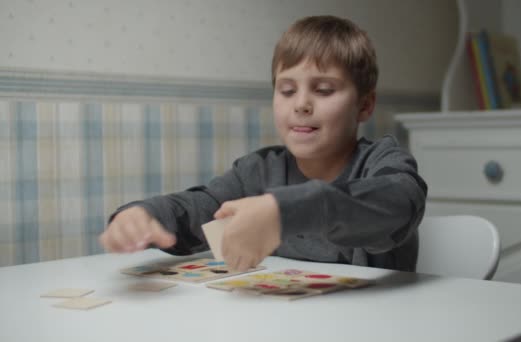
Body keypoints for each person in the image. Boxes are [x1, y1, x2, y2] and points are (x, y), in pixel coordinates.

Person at [99, 15, 427, 272]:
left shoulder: (381, 162)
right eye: (286, 90)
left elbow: (400, 201)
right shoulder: (258, 172)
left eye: (324, 90)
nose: (301, 104)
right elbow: (198, 208)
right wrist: (142, 215)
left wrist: (284, 212)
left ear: (365, 106)